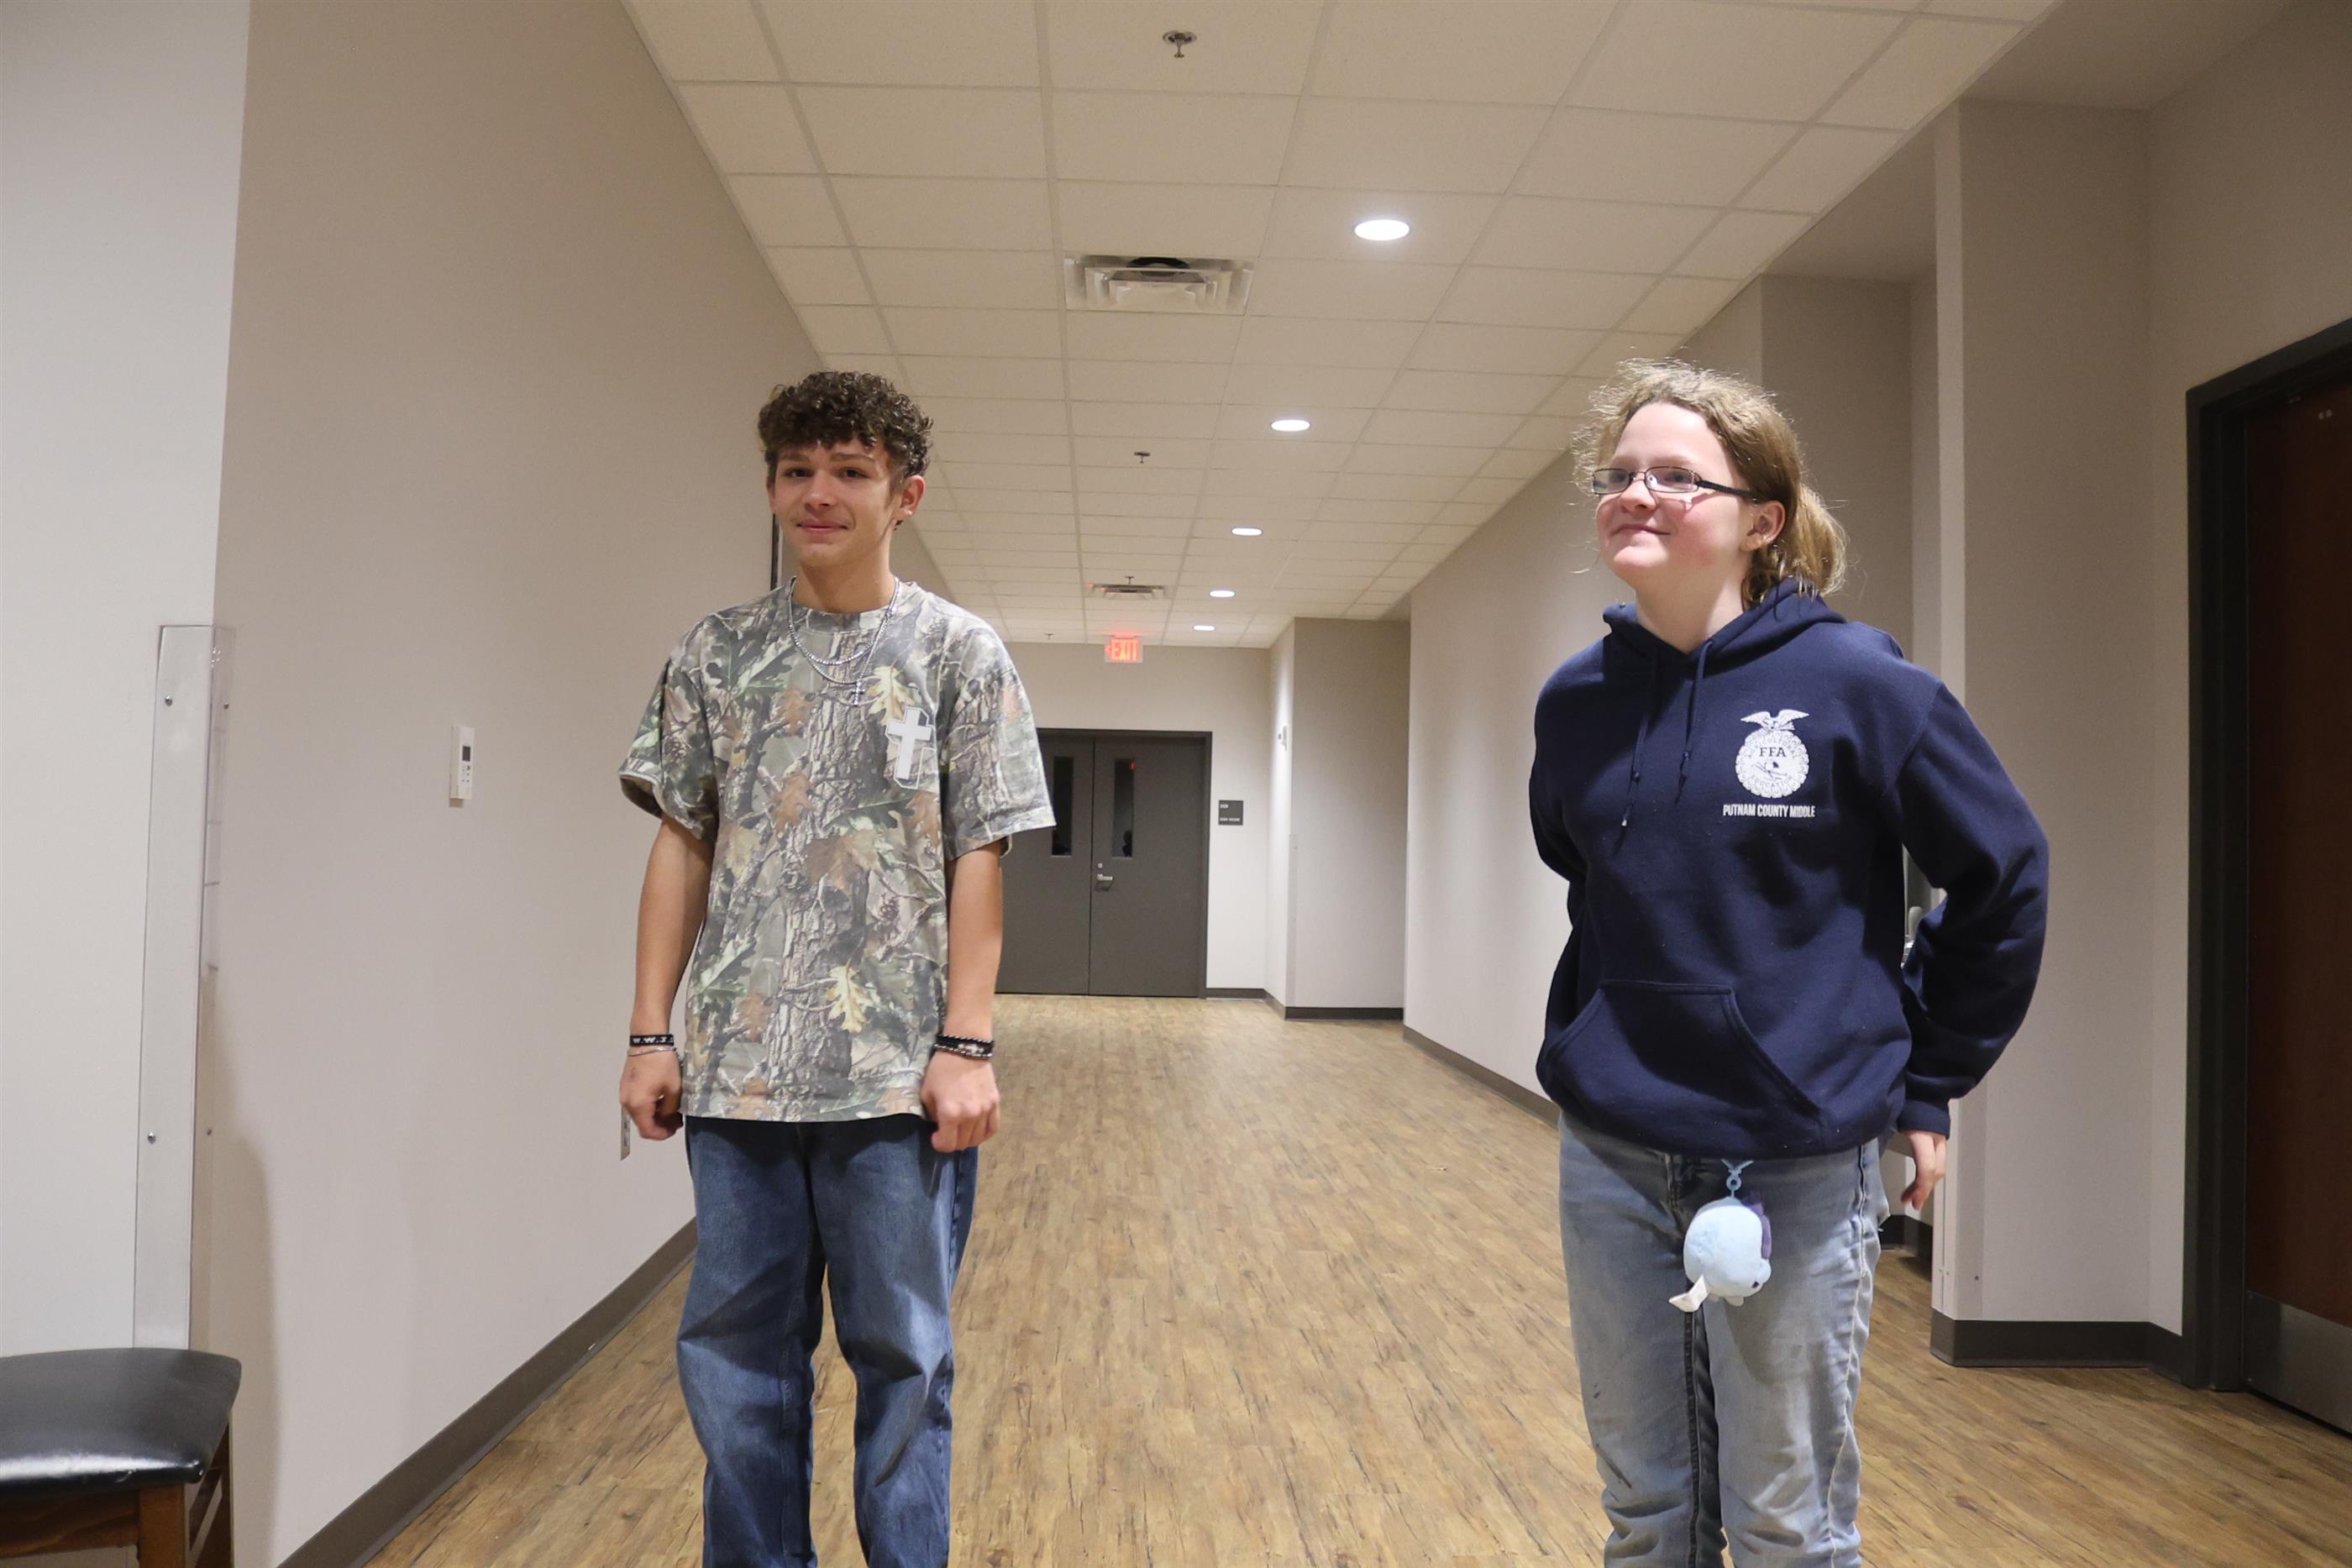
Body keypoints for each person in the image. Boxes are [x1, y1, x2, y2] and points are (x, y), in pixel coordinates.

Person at [1527, 359, 2049, 1566]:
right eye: (1619, 474)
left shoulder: (1862, 686)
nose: (1635, 494)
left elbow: (2003, 874)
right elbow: (1589, 879)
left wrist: (1930, 1076)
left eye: (1675, 477)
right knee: (1647, 1511)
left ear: (1761, 521)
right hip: (1612, 1152)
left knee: (1784, 1520)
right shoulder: (1576, 703)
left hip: (1795, 1158)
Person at [617, 370, 1053, 1568]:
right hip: (741, 1077)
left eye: (850, 472)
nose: (819, 492)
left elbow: (979, 853)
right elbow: (683, 844)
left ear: (904, 495)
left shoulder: (959, 653)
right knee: (735, 1361)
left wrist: (967, 1042)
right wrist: (651, 1032)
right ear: (770, 487)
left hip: (894, 1080)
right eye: (797, 470)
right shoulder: (717, 653)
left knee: (904, 1360)